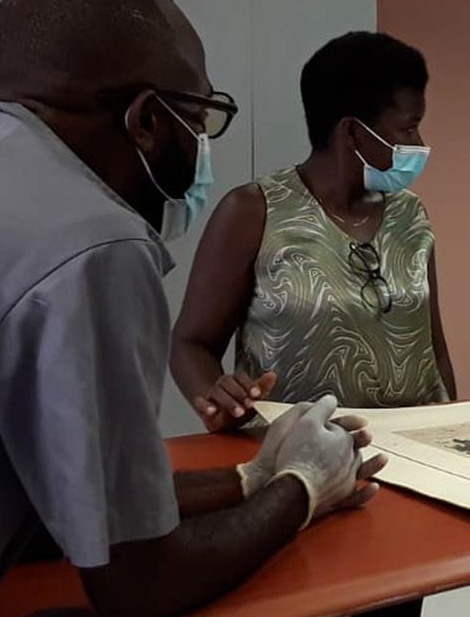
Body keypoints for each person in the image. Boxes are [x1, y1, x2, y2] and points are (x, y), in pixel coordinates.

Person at [0, 0, 383, 615]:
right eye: (202, 116)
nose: (203, 144)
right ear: (146, 120)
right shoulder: (94, 241)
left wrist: (252, 476)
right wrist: (303, 485)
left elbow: (59, 495)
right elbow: (140, 582)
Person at [171, 31, 455, 434]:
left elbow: (433, 348)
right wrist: (218, 395)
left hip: (417, 453)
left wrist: (453, 428)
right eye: (409, 129)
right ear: (353, 133)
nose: (420, 143)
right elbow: (190, 343)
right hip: (294, 458)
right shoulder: (253, 212)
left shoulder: (410, 214)